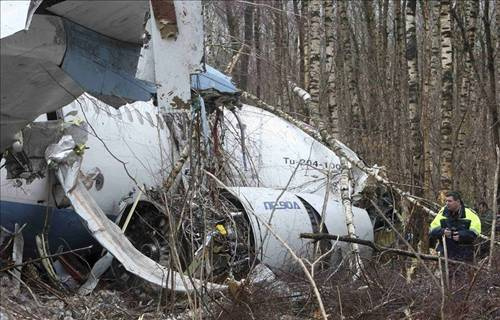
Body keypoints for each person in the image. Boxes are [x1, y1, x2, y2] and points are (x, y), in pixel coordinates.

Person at [429, 191, 481, 261]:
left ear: (458, 202)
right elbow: (433, 230)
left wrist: (462, 235)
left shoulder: (470, 214)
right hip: (444, 254)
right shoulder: (442, 213)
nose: (447, 203)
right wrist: (443, 231)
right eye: (446, 201)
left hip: (464, 254)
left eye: (450, 201)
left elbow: (475, 232)